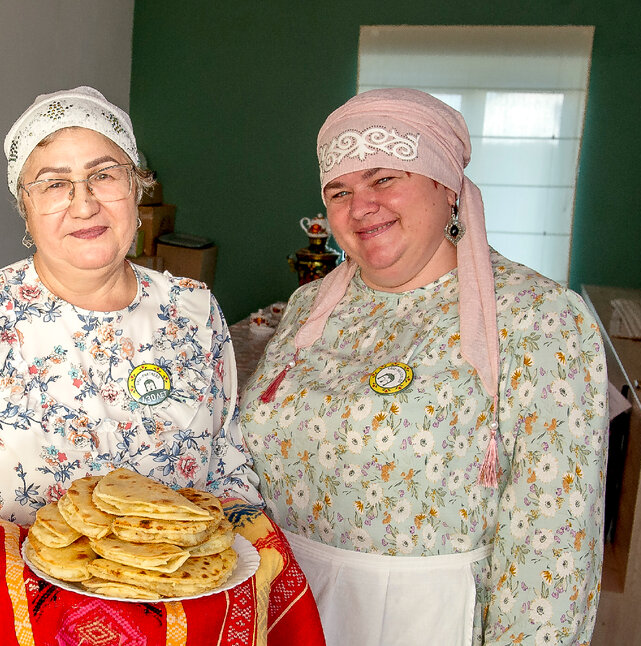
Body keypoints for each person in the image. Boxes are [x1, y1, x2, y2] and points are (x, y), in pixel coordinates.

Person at [240, 88, 607, 645]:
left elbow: (553, 545)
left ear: (447, 187)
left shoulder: (539, 319)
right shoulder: (309, 305)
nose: (360, 206)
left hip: (419, 620)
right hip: (282, 604)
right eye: (339, 190)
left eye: (385, 178)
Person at [0, 86, 260, 555]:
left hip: (183, 605)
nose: (83, 204)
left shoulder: (193, 310)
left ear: (137, 189)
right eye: (54, 183)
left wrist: (237, 557)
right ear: (26, 209)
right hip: (21, 613)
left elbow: (227, 465)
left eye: (104, 175)